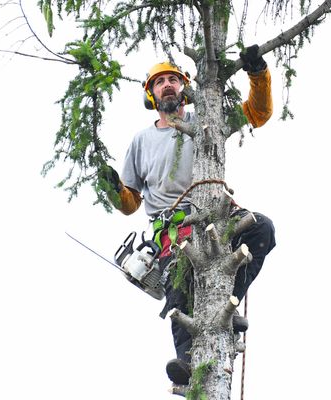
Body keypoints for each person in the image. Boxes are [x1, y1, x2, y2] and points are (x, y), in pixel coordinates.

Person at [102, 46, 276, 385]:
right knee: (179, 289)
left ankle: (229, 302)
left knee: (262, 229)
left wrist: (258, 73)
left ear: (186, 87)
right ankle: (186, 365)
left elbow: (258, 113)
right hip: (173, 228)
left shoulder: (207, 119)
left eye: (173, 80)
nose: (167, 85)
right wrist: (111, 186)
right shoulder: (142, 141)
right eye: (159, 82)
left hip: (216, 214)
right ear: (150, 94)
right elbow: (129, 203)